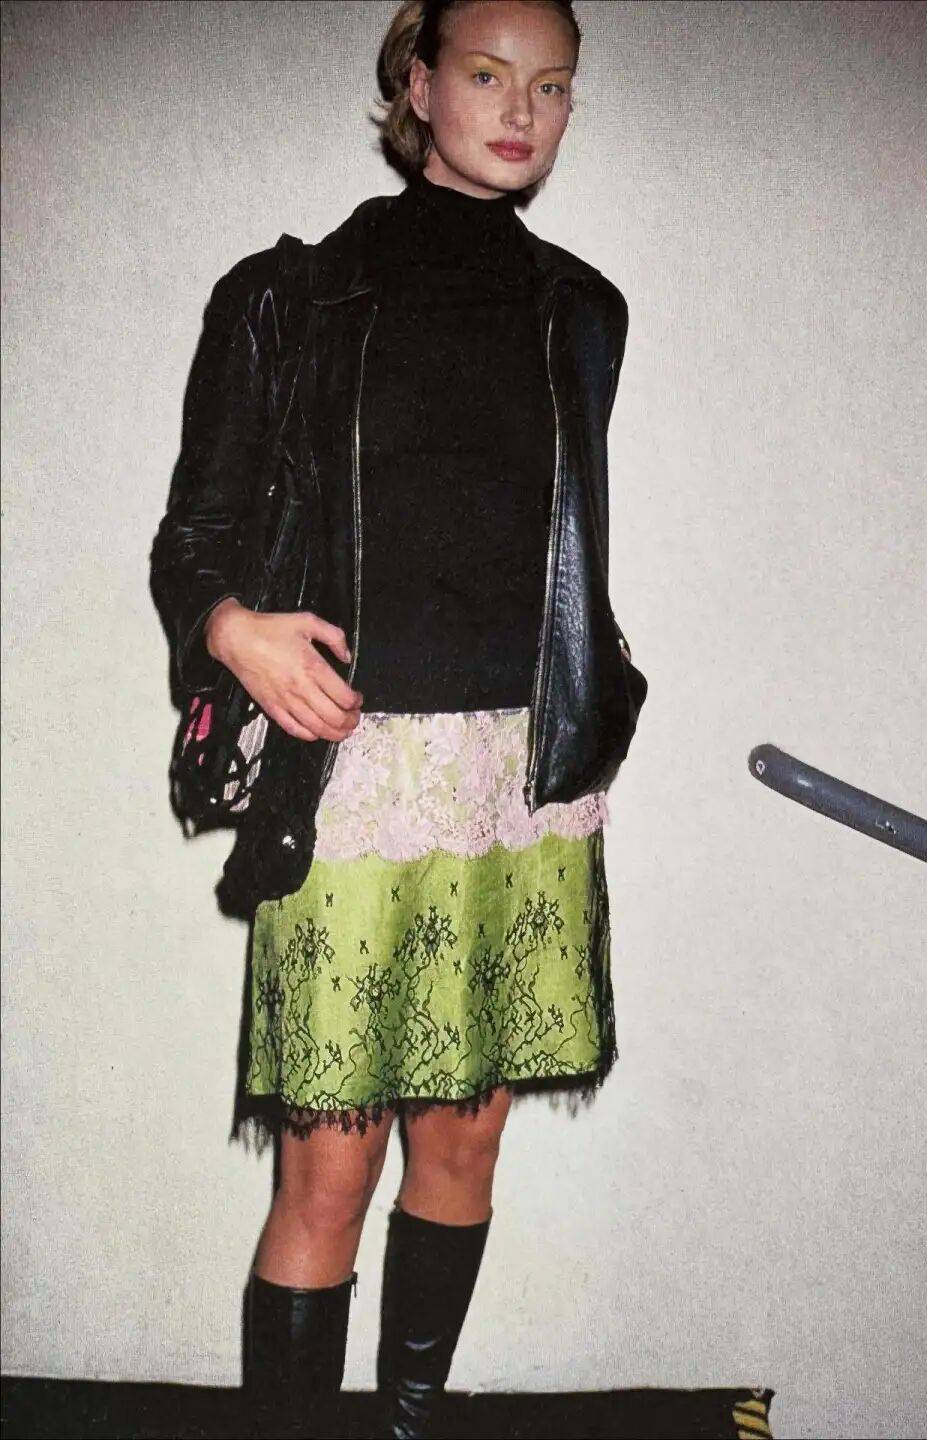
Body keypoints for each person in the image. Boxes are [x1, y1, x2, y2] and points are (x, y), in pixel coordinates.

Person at [150, 1, 644, 1435]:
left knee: (466, 1146)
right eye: (488, 74)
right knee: (330, 1168)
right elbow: (193, 543)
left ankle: (412, 1425)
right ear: (419, 85)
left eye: (553, 85)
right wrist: (234, 630)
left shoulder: (585, 311)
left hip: (521, 776)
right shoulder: (292, 297)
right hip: (353, 776)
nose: (522, 110)